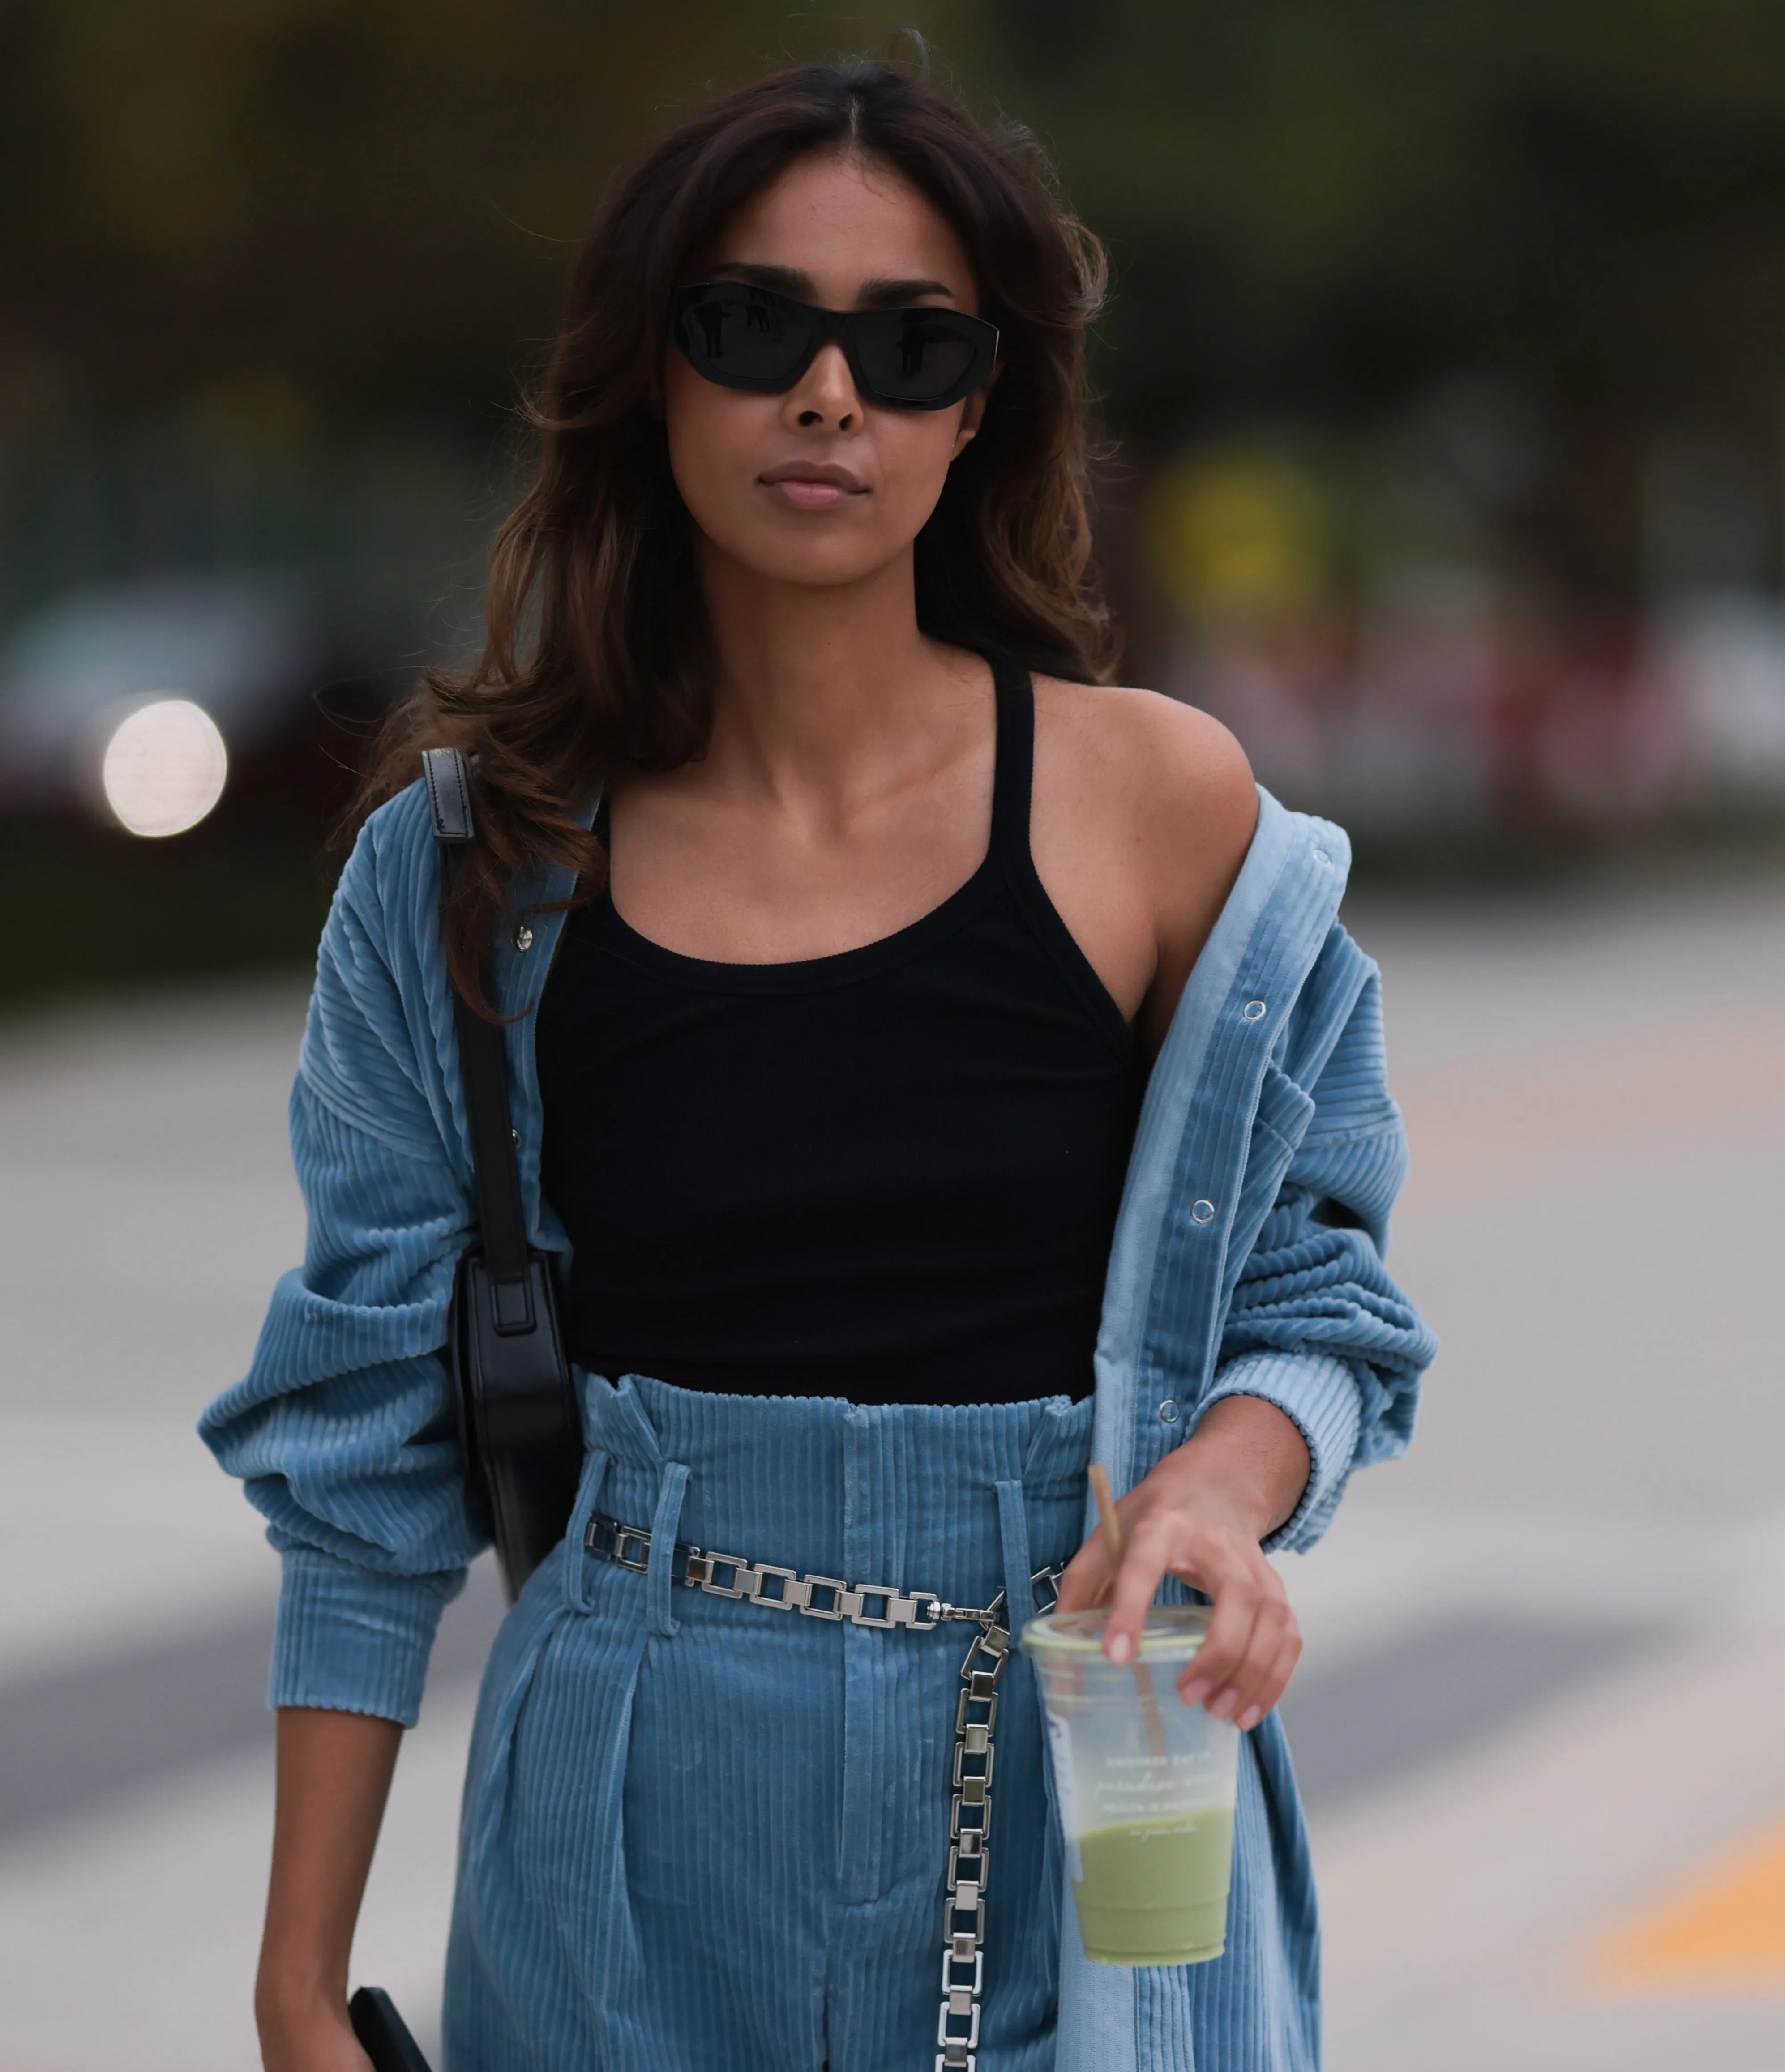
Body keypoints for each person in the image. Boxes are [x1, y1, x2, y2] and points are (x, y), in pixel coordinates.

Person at [197, 59, 1434, 2072]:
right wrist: (295, 1982)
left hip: (1082, 1781)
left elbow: (1319, 1293)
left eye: (910, 342)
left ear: (980, 406)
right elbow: (360, 1456)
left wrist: (1216, 1492)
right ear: (651, 366)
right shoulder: (466, 872)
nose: (830, 393)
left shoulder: (1156, 808)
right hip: (625, 1827)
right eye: (753, 324)